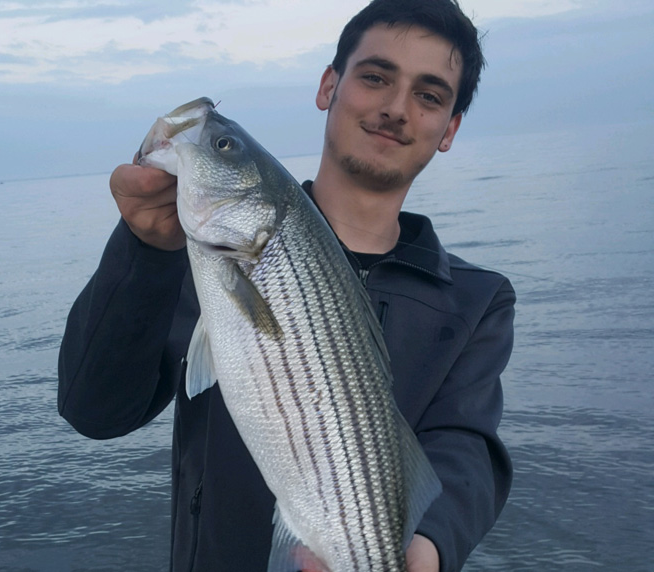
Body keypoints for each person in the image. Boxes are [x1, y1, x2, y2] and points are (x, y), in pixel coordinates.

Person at [58, 0, 515, 570]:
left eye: (428, 95)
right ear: (329, 86)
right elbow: (94, 411)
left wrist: (425, 549)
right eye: (375, 77)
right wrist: (145, 251)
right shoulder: (190, 259)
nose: (396, 108)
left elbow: (465, 449)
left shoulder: (477, 300)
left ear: (449, 129)